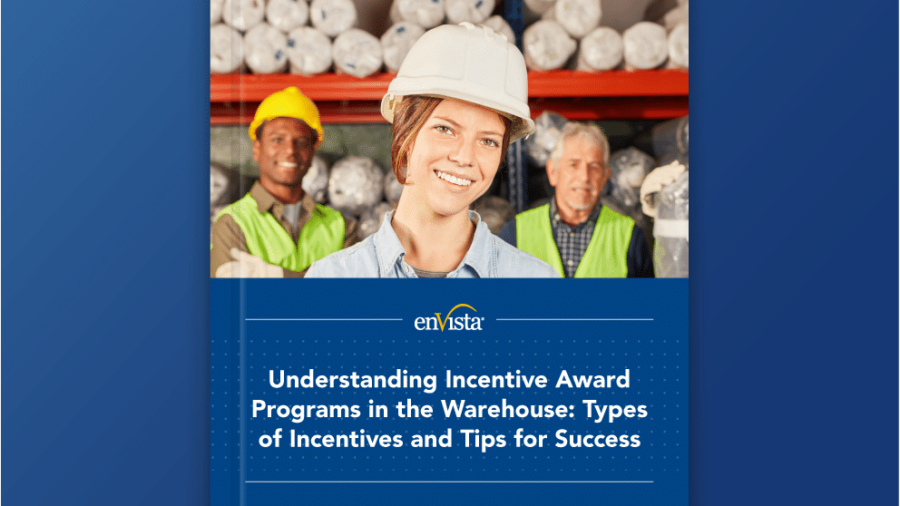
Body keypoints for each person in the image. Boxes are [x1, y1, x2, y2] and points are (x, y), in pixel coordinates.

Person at [306, 23, 557, 278]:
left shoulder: (535, 283)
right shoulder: (333, 278)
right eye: (445, 129)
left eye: (488, 141)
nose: (464, 157)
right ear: (405, 130)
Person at [211, 87, 358, 278]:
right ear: (257, 148)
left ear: (312, 153)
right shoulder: (232, 223)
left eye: (302, 142)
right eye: (277, 139)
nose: (290, 150)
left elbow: (352, 298)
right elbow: (229, 303)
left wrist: (276, 276)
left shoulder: (342, 226)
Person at [498, 123, 654, 278]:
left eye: (594, 167)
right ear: (553, 172)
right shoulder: (514, 234)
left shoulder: (631, 237)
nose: (584, 176)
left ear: (604, 178)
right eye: (573, 165)